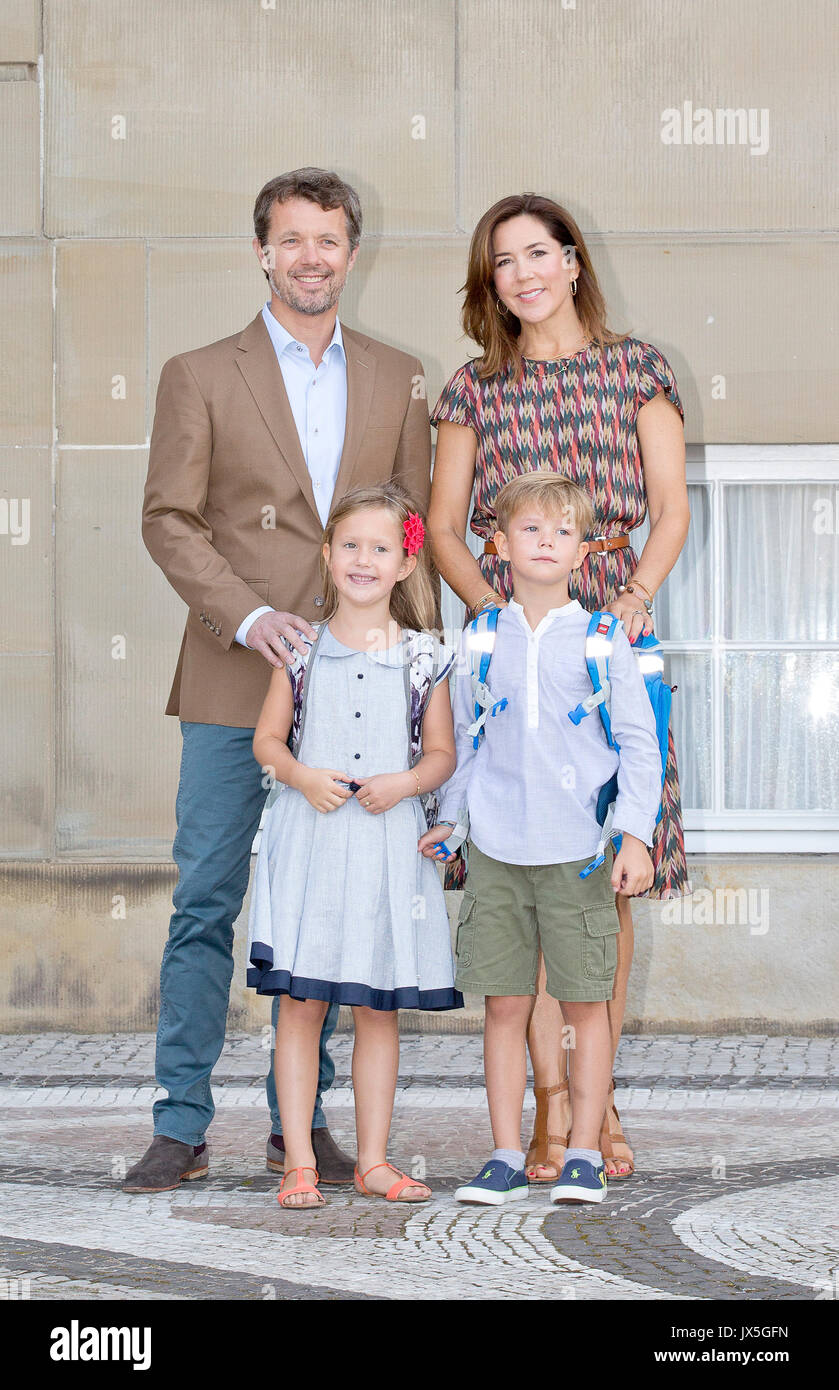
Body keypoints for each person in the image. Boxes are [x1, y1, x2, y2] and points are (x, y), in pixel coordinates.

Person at [127, 168, 436, 1194]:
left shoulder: (397, 376)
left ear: (353, 251)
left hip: (359, 697)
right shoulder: (199, 372)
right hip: (231, 677)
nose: (311, 256)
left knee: (332, 906)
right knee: (208, 898)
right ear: (263, 250)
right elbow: (167, 517)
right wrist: (251, 617)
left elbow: (411, 538)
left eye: (329, 239)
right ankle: (178, 1124)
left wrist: (424, 674)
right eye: (291, 239)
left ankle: (293, 1129)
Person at [426, 192, 691, 1181]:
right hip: (510, 662)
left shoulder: (637, 369)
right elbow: (445, 528)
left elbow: (667, 508)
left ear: (573, 261)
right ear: (488, 281)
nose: (523, 272)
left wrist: (629, 594)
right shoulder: (470, 389)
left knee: (598, 884)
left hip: (606, 646)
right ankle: (540, 1112)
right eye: (503, 260)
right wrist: (493, 613)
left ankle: (595, 1103)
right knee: (521, 881)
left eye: (538, 252)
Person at [420, 472, 662, 1204]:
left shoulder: (599, 640)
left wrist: (633, 837)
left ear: (583, 551)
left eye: (562, 532)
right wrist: (449, 819)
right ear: (497, 544)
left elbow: (636, 743)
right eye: (530, 529)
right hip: (496, 851)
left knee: (586, 1007)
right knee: (502, 1005)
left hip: (579, 855)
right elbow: (464, 740)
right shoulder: (478, 640)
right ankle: (502, 1151)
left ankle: (582, 1151)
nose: (547, 542)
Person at [247, 483, 460, 1209]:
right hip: (311, 844)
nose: (363, 559)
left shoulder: (426, 657)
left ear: (405, 564)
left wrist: (403, 785)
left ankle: (372, 1159)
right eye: (349, 545)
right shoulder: (299, 650)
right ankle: (299, 1159)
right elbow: (266, 743)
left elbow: (440, 756)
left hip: (386, 851)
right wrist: (302, 775)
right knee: (301, 1006)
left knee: (378, 1007)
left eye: (380, 547)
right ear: (327, 554)